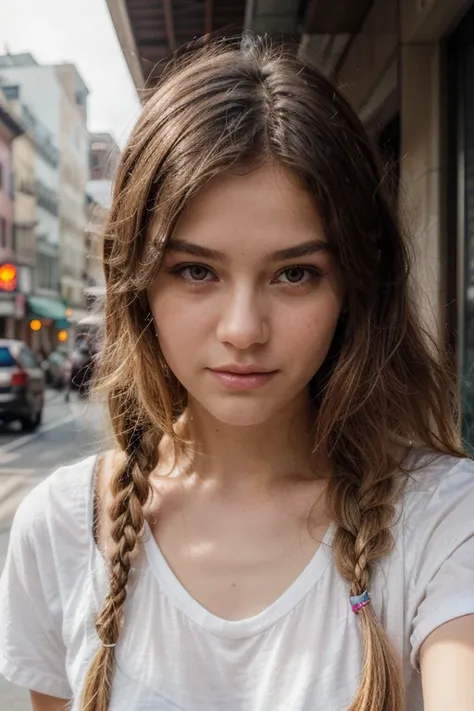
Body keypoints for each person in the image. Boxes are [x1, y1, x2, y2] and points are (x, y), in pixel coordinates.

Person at [0, 34, 473, 711]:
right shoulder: (59, 528)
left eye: (295, 273)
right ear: (138, 286)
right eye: (196, 270)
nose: (244, 328)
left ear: (355, 288)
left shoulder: (444, 519)